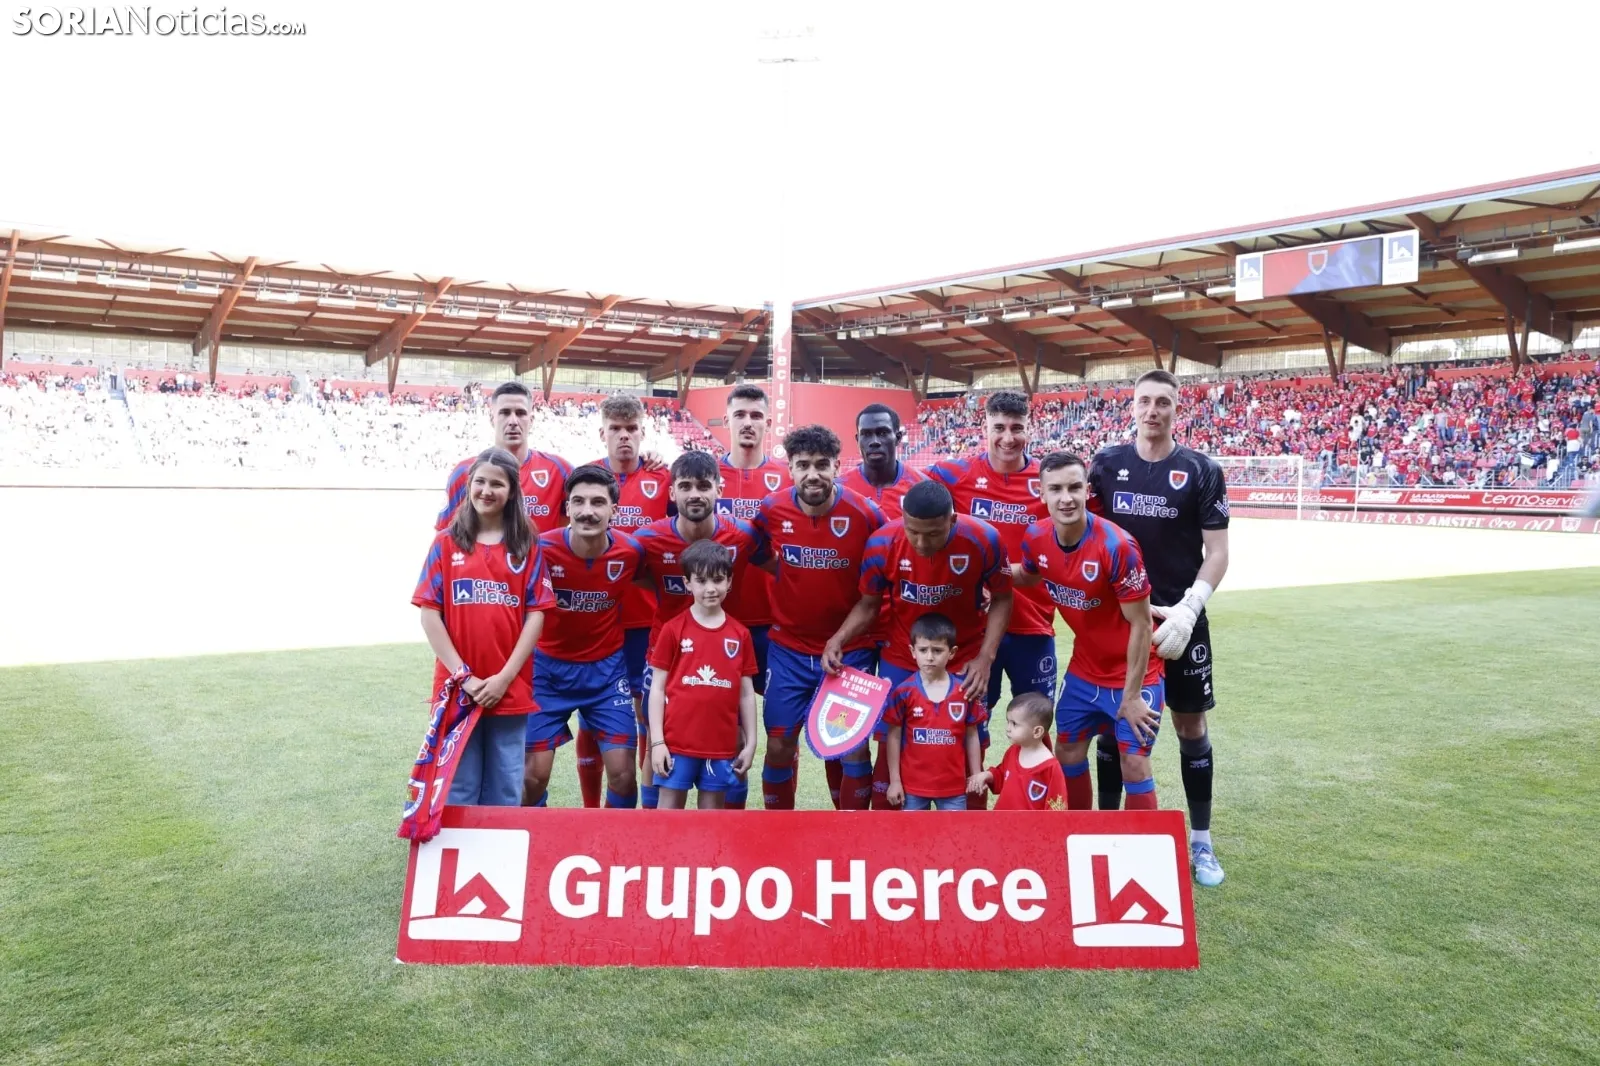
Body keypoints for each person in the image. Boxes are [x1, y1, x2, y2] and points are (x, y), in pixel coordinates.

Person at [1087, 369, 1231, 885]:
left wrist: (1190, 609)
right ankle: (1105, 835)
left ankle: (1202, 843)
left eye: (1162, 402)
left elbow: (1218, 552)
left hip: (1180, 621)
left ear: (1176, 409)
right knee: (1111, 726)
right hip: (1122, 622)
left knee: (1190, 727)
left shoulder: (1201, 470)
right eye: (1144, 401)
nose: (1153, 410)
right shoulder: (1105, 464)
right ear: (1132, 407)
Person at [823, 479, 1012, 808]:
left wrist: (985, 658)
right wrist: (838, 638)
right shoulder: (882, 543)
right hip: (902, 656)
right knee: (891, 739)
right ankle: (888, 830)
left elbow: (1003, 597)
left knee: (969, 738)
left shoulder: (984, 539)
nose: (922, 543)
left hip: (963, 656)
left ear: (952, 520)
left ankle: (968, 830)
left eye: (933, 534)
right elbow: (869, 605)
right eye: (913, 532)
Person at [927, 390, 1055, 808]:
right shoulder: (955, 474)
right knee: (971, 728)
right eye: (998, 427)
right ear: (984, 428)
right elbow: (910, 495)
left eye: (1017, 428)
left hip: (1033, 627)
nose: (1008, 437)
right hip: (976, 632)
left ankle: (1044, 819)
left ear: (1029, 428)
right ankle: (974, 820)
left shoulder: (1047, 480)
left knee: (1039, 730)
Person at [1016, 452, 1164, 812]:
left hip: (1135, 674)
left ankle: (1139, 844)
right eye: (1056, 489)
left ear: (1086, 490)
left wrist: (1131, 696)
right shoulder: (1036, 536)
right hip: (1084, 671)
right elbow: (1028, 574)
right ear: (1041, 493)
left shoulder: (1117, 547)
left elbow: (1142, 624)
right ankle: (1077, 833)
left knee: (1134, 762)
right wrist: (987, 574)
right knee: (1067, 750)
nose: (1066, 498)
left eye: (1074, 487)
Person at [753, 424, 886, 810]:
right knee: (779, 743)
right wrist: (788, 576)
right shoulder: (771, 509)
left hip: (851, 651)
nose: (812, 474)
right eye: (803, 465)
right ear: (790, 469)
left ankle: (851, 830)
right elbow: (759, 552)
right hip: (788, 649)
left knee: (853, 746)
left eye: (822, 465)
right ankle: (780, 831)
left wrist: (839, 640)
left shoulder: (866, 513)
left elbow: (873, 595)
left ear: (837, 467)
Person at [412, 447, 555, 806]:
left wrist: (504, 679)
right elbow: (429, 614)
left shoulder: (526, 545)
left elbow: (536, 615)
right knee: (458, 787)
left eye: (497, 484)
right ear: (469, 485)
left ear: (512, 492)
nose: (486, 491)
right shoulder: (446, 543)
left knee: (505, 790)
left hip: (509, 689)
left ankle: (500, 849)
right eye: (480, 482)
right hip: (457, 690)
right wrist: (463, 676)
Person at [633, 450, 767, 808]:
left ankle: (729, 826)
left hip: (723, 651)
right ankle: (654, 825)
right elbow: (636, 577)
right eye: (686, 486)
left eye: (704, 486)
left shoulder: (743, 535)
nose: (695, 494)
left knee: (731, 737)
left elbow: (775, 567)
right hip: (665, 653)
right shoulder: (647, 539)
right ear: (672, 492)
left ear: (718, 490)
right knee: (654, 738)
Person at [521, 465, 643, 809]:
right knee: (532, 778)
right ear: (567, 507)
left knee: (623, 775)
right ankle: (536, 836)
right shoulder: (541, 549)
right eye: (579, 501)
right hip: (548, 672)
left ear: (614, 510)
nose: (587, 511)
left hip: (607, 674)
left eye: (597, 502)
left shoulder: (631, 552)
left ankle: (612, 839)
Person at [571, 395, 673, 808]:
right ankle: (590, 809)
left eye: (631, 429)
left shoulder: (662, 477)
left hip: (647, 622)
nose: (624, 436)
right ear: (603, 433)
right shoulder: (586, 479)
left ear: (643, 432)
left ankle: (647, 811)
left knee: (648, 713)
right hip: (598, 619)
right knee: (591, 718)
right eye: (616, 429)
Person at [838, 401, 927, 808]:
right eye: (867, 434)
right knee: (848, 731)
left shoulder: (921, 488)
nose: (875, 441)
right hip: (854, 626)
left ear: (898, 436)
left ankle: (888, 819)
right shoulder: (840, 488)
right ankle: (850, 820)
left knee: (895, 729)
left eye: (883, 432)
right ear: (856, 440)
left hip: (901, 630)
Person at [713, 384, 791, 807]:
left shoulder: (786, 477)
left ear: (768, 423)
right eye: (740, 414)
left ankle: (780, 821)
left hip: (777, 626)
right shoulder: (705, 476)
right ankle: (735, 819)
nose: (748, 422)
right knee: (729, 732)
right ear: (726, 420)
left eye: (756, 415)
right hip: (720, 623)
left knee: (782, 733)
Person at [646, 540, 759, 810]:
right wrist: (658, 742)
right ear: (687, 583)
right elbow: (657, 689)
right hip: (677, 745)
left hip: (719, 749)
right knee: (668, 817)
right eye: (701, 580)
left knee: (711, 821)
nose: (710, 588)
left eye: (718, 580)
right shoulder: (673, 630)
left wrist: (752, 742)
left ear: (729, 581)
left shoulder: (740, 635)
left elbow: (746, 694)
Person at [435, 381, 572, 535]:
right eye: (505, 413)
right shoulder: (464, 472)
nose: (513, 421)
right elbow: (444, 536)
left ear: (531, 420)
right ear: (492, 419)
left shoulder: (560, 470)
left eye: (520, 413)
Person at [883, 613, 985, 811]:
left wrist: (975, 774)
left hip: (953, 789)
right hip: (912, 788)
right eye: (923, 650)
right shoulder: (903, 692)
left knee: (954, 831)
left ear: (952, 652)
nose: (929, 657)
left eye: (937, 650)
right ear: (913, 651)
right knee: (913, 831)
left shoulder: (964, 692)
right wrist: (895, 781)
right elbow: (893, 737)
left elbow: (972, 735)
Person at [970, 692, 1069, 810]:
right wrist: (987, 775)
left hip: (1029, 823)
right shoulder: (1014, 751)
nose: (1008, 728)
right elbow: (1003, 775)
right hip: (1003, 820)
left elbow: (1056, 809)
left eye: (1014, 724)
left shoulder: (1051, 768)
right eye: (1008, 721)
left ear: (1037, 732)